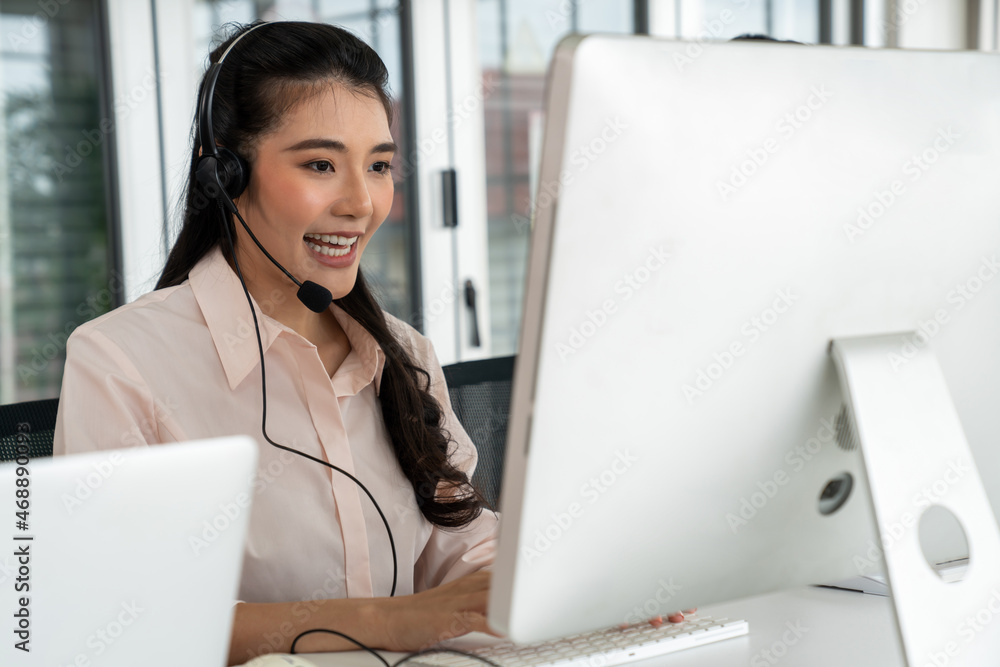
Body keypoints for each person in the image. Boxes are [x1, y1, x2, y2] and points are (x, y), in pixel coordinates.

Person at [54, 21, 498, 665]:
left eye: (378, 166)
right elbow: (115, 621)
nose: (361, 203)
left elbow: (465, 553)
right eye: (320, 164)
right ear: (226, 174)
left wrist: (565, 588)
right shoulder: (121, 361)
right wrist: (385, 621)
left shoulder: (403, 354)